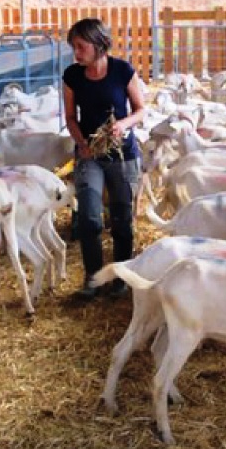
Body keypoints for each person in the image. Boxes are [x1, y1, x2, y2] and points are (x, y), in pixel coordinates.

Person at [62, 18, 145, 299]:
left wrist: (123, 124)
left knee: (122, 218)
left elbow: (141, 109)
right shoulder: (72, 76)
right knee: (89, 218)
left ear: (98, 44)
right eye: (74, 46)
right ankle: (94, 279)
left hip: (121, 154)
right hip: (90, 155)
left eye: (80, 46)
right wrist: (81, 142)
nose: (76, 52)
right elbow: (71, 117)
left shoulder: (122, 71)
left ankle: (122, 277)